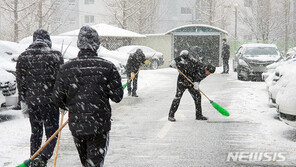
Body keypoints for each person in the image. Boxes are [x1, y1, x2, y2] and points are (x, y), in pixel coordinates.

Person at [53, 26, 123, 167]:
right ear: (96, 44)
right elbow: (117, 96)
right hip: (99, 125)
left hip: (77, 125)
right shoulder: (107, 67)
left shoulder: (66, 68)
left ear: (79, 44)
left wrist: (72, 105)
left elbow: (57, 98)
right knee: (95, 163)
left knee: (86, 163)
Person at [16, 29, 63, 167]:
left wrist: (23, 100)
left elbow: (21, 82)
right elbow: (61, 81)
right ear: (48, 41)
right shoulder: (55, 56)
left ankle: (34, 158)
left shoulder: (23, 57)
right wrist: (62, 99)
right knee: (52, 133)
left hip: (33, 103)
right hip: (50, 103)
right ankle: (42, 158)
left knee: (35, 132)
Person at [168, 50, 216, 122]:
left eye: (209, 74)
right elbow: (183, 56)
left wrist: (197, 82)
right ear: (206, 69)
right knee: (178, 97)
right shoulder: (195, 63)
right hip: (182, 81)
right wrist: (174, 61)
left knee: (198, 97)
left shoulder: (205, 73)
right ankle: (171, 115)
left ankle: (199, 115)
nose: (208, 74)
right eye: (208, 72)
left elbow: (199, 77)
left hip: (191, 83)